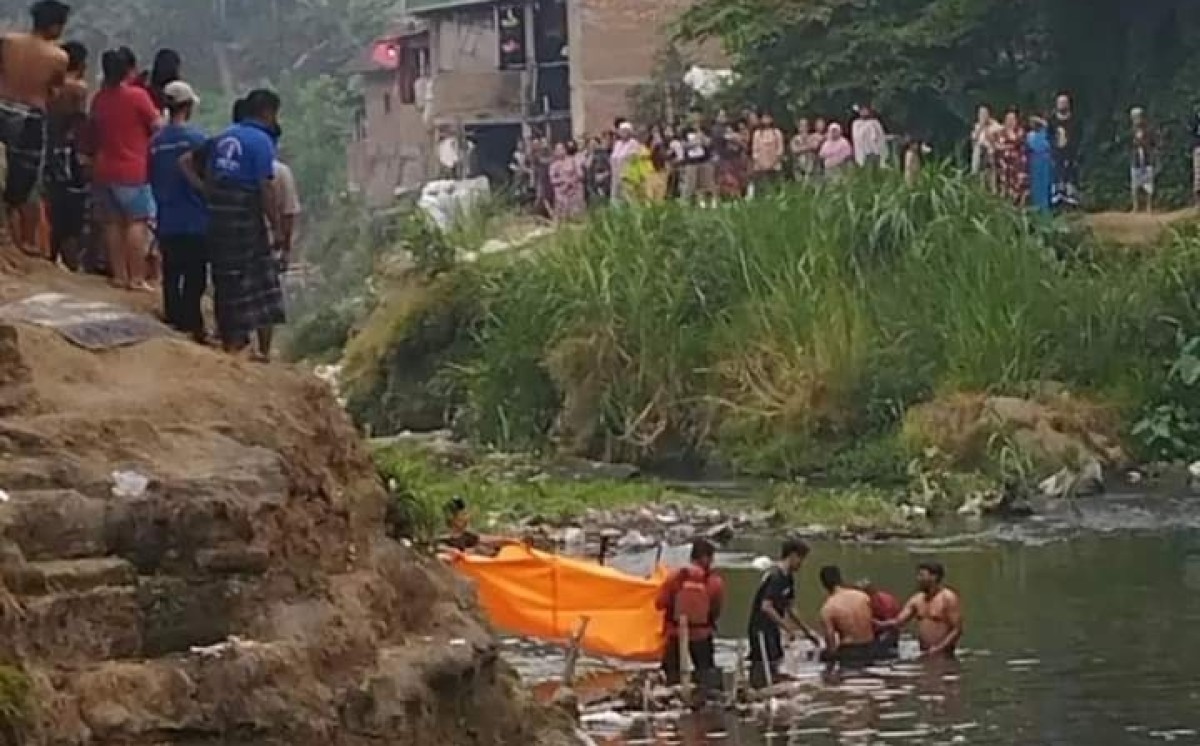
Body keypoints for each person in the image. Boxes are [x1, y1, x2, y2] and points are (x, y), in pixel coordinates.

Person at [195, 89, 285, 357]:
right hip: (244, 215)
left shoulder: (224, 137)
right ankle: (263, 351)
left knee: (225, 277)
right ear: (267, 112)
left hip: (218, 214)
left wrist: (206, 192)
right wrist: (276, 226)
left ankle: (231, 343)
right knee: (260, 280)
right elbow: (265, 187)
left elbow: (196, 166)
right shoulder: (261, 140)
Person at [0, 0, 70, 256]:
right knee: (24, 179)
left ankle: (11, 235)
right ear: (54, 25)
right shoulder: (58, 57)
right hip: (30, 115)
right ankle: (23, 241)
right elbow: (54, 90)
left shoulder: (8, 41)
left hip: (2, 106)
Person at [90, 48, 161, 291]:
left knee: (112, 224)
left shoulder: (99, 99)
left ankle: (119, 275)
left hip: (103, 168)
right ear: (128, 70)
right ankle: (137, 277)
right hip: (132, 169)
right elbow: (157, 125)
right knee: (135, 223)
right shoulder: (137, 96)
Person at [149, 80, 208, 341]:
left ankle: (173, 319)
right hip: (195, 218)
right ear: (188, 107)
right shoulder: (197, 140)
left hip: (167, 217)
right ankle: (192, 323)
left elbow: (150, 176)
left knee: (171, 273)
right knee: (195, 275)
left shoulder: (155, 142)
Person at [747, 537, 821, 688]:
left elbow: (790, 607)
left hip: (772, 628)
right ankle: (759, 690)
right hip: (761, 629)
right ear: (792, 555)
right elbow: (766, 606)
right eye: (801, 558)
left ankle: (769, 687)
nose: (802, 564)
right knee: (765, 663)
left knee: (776, 660)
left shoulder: (788, 578)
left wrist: (807, 632)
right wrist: (787, 628)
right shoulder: (775, 576)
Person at [656, 538, 725, 689]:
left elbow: (659, 604)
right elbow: (716, 610)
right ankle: (705, 698)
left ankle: (670, 697)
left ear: (691, 557)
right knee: (706, 674)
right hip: (702, 634)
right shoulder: (714, 581)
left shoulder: (675, 577)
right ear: (707, 558)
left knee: (670, 675)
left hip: (675, 633)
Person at [44, 38, 87, 269]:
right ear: (80, 64)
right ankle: (71, 264)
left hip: (49, 149)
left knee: (53, 204)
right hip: (68, 153)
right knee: (71, 212)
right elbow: (80, 122)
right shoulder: (77, 89)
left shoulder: (51, 87)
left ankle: (49, 255)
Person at [880, 562, 963, 659]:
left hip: (944, 654)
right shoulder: (917, 599)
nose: (918, 579)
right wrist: (879, 624)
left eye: (922, 575)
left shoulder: (948, 598)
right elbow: (899, 621)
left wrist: (939, 649)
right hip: (924, 652)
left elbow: (957, 629)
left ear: (934, 577)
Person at [817, 566, 879, 669]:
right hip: (870, 648)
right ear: (840, 579)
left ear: (824, 585)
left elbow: (830, 642)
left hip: (850, 651)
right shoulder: (863, 597)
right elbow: (874, 622)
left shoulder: (828, 608)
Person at [1050, 93, 1081, 209]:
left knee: (1071, 177)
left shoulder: (1075, 120)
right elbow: (1049, 136)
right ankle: (1057, 203)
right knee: (1057, 177)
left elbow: (1078, 136)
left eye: (1064, 103)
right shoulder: (1052, 120)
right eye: (1060, 103)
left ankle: (1072, 203)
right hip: (1056, 153)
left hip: (1071, 153)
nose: (1062, 105)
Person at [858, 578, 902, 657]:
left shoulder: (885, 602)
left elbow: (893, 626)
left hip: (888, 629)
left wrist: (878, 624)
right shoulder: (861, 602)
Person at [996, 109, 1028, 206]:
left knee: (1019, 184)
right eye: (1008, 119)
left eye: (1012, 119)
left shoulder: (1020, 131)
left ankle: (1019, 205)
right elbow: (997, 145)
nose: (1010, 121)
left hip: (1017, 163)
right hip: (1004, 163)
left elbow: (1018, 143)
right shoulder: (1000, 132)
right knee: (1004, 182)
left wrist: (1007, 145)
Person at [548, 141, 585, 220]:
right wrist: (563, 180)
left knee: (576, 217)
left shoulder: (573, 161)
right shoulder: (553, 165)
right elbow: (552, 180)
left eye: (561, 149)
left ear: (565, 150)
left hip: (574, 190)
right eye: (557, 149)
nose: (559, 151)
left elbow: (580, 174)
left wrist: (571, 181)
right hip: (561, 192)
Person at [1129, 107, 1155, 213]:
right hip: (1136, 161)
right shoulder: (1131, 131)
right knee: (1135, 185)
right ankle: (1135, 207)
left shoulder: (1148, 130)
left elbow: (1153, 143)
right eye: (1135, 117)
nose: (1137, 119)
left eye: (1139, 116)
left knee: (1149, 185)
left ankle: (1149, 207)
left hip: (1147, 159)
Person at [750, 111, 785, 191]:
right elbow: (755, 151)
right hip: (760, 167)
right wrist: (761, 164)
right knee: (762, 188)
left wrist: (773, 163)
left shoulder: (777, 133)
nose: (766, 119)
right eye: (764, 117)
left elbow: (780, 150)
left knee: (776, 187)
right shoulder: (757, 133)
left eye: (768, 117)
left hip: (775, 166)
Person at [1026, 116, 1053, 213]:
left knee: (1045, 185)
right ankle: (1037, 208)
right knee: (1036, 185)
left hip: (1045, 161)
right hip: (1035, 160)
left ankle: (1045, 209)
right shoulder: (1029, 135)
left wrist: (1039, 121)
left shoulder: (1045, 133)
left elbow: (1046, 125)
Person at [609, 120, 640, 203]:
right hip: (616, 176)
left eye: (625, 130)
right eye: (621, 130)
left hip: (627, 176)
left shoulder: (633, 143)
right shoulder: (617, 144)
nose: (623, 132)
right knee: (615, 199)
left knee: (629, 198)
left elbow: (633, 159)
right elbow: (613, 158)